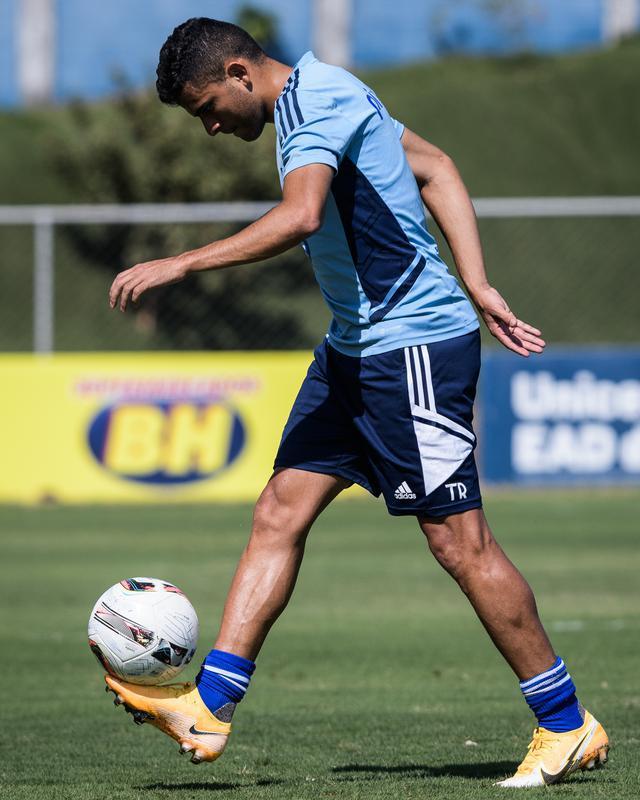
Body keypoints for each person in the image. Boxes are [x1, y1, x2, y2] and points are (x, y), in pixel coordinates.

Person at [105, 18, 608, 788]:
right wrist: (477, 281)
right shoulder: (323, 93)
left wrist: (183, 262)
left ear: (240, 72)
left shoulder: (316, 104)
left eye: (208, 106)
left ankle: (566, 722)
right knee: (280, 510)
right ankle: (209, 706)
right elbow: (434, 167)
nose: (209, 126)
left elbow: (302, 214)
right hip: (355, 348)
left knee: (458, 545)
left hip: (412, 351)